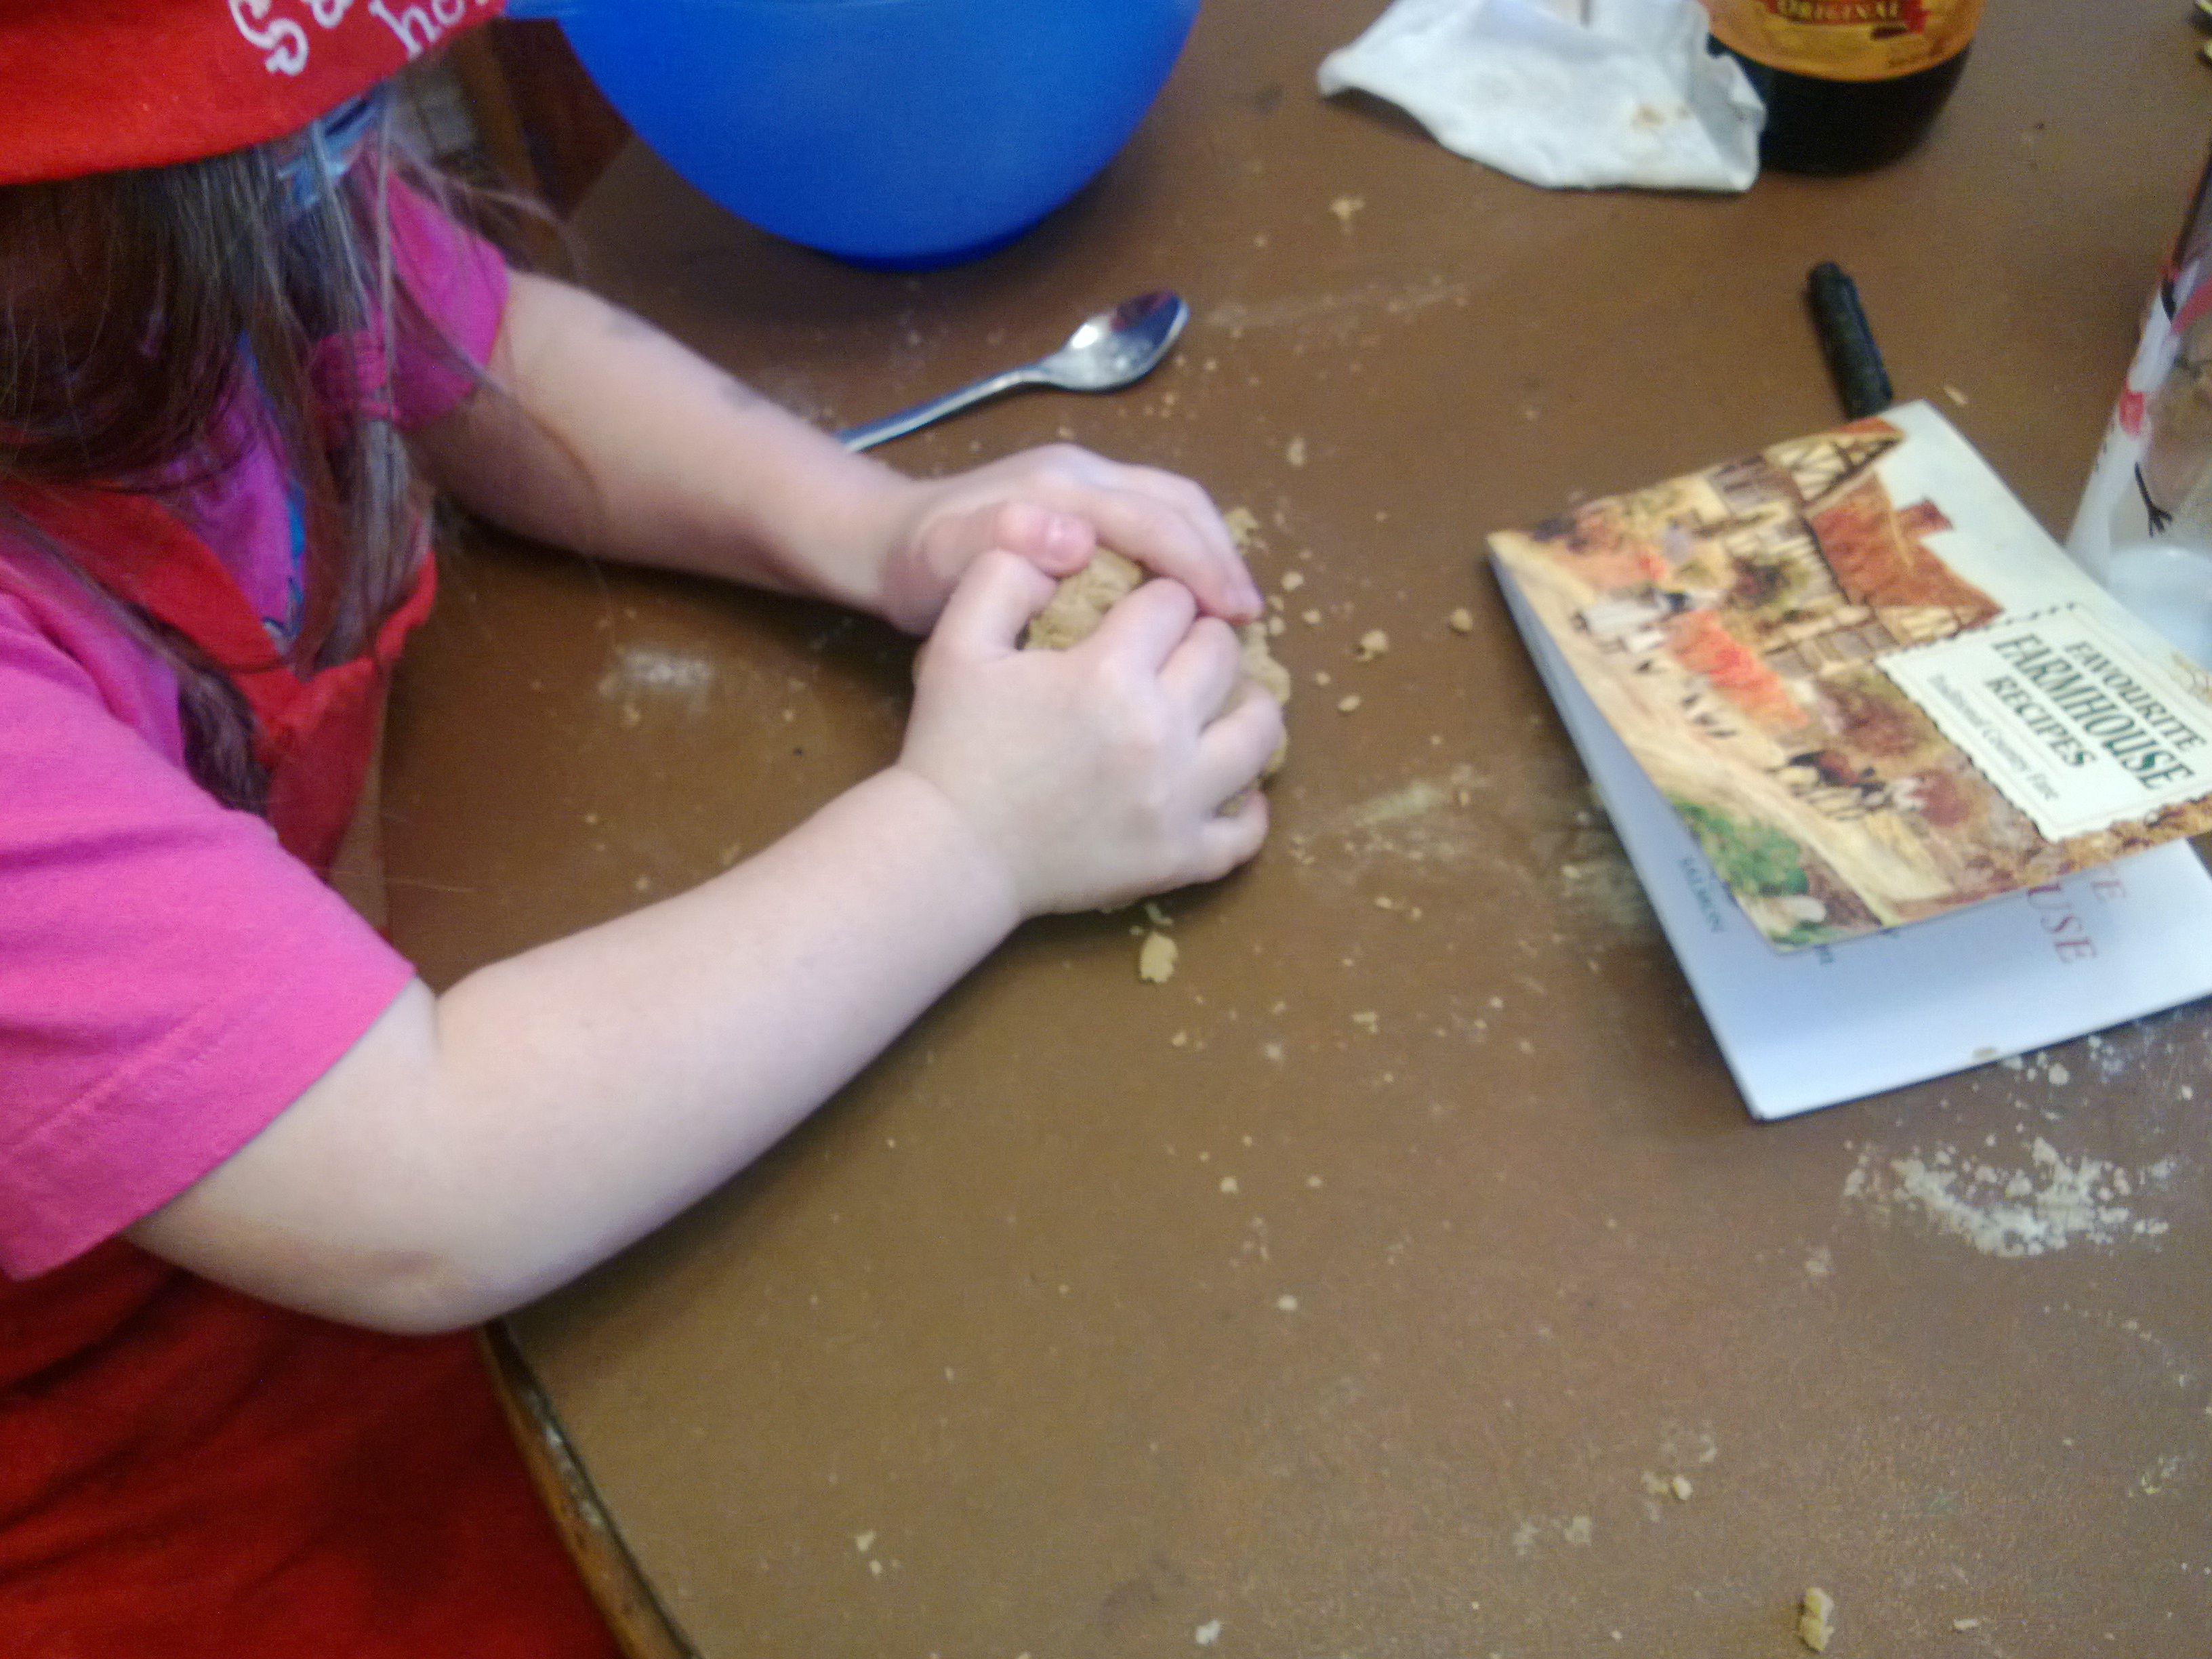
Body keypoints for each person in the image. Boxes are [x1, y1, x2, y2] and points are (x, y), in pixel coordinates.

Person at [0, 3, 1283, 1653]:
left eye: (340, 130)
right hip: (147, 1440)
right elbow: (427, 1179)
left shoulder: (201, 229)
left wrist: (874, 529)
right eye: (274, 151)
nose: (329, 177)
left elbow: (489, 355)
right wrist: (973, 834)